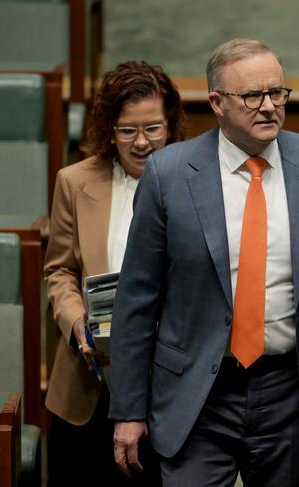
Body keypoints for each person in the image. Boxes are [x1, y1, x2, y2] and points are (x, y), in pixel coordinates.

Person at [108, 38, 299, 486]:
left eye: (278, 93)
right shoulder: (169, 174)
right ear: (217, 102)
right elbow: (137, 300)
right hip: (196, 394)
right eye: (252, 96)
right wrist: (130, 410)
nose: (269, 107)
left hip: (290, 390)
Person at [44, 60, 186, 487]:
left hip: (168, 382)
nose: (141, 143)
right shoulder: (74, 181)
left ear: (171, 125)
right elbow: (60, 271)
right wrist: (76, 324)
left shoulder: (196, 182)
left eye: (153, 129)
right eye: (127, 131)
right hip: (90, 384)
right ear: (109, 129)